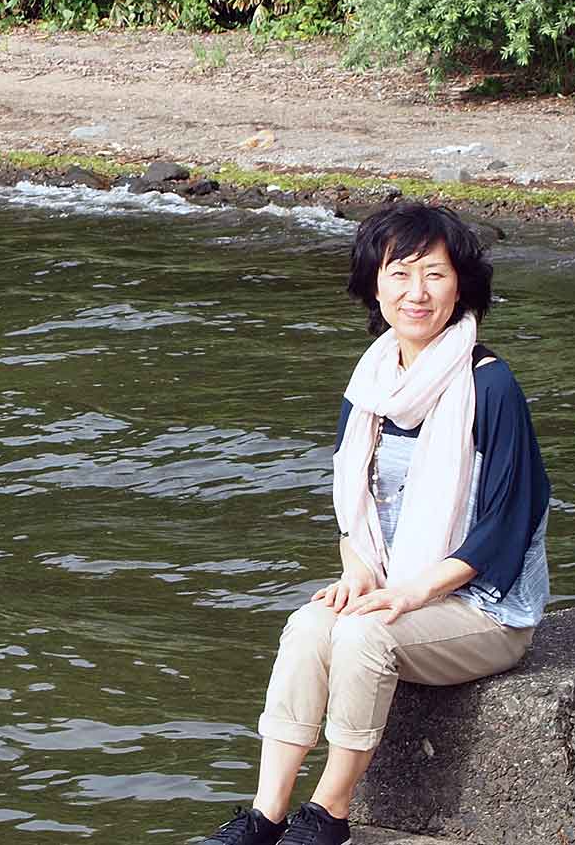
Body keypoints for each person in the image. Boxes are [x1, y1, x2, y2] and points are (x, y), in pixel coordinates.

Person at [200, 201, 552, 845]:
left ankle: (329, 813)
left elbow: (508, 523)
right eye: (400, 273)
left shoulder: (490, 386)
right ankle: (265, 814)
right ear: (375, 285)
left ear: (461, 287)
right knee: (310, 625)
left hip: (485, 609)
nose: (417, 293)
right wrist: (358, 572)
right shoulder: (371, 386)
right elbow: (355, 508)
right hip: (397, 590)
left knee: (363, 637)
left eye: (435, 275)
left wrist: (412, 592)